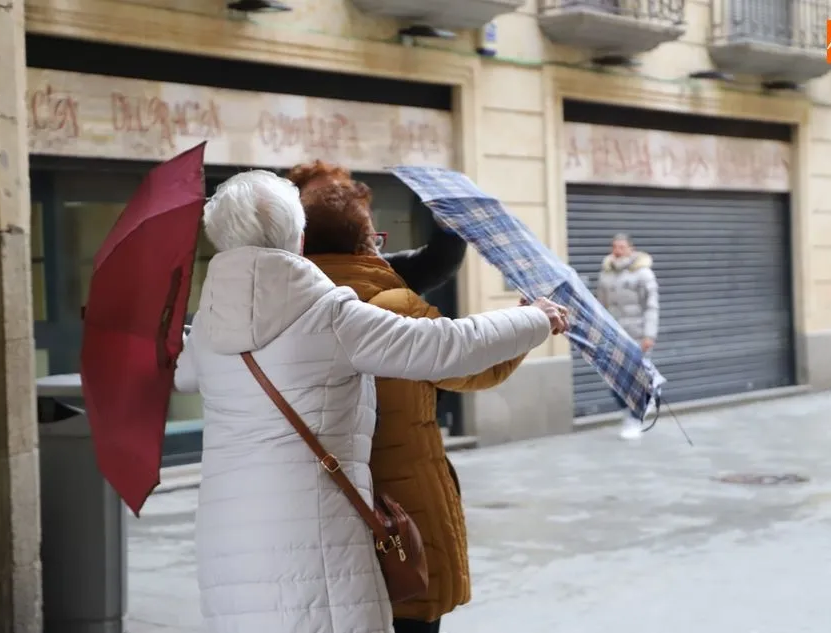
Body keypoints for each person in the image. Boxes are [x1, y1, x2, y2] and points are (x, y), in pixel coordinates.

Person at [173, 169, 569, 633]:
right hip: (319, 538)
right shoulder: (329, 314)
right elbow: (448, 346)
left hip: (229, 542)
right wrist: (536, 319)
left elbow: (181, 376)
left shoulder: (206, 329)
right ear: (295, 237)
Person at [300, 180, 531, 633]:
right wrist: (528, 323)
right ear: (367, 242)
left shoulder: (285, 306)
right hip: (398, 515)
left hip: (313, 513)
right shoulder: (394, 308)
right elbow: (478, 364)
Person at [286, 160, 466, 295]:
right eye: (322, 198)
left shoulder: (383, 276)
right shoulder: (285, 279)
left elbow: (435, 263)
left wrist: (449, 222)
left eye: (344, 193)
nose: (336, 203)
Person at [596, 232, 660, 440]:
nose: (617, 251)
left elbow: (651, 306)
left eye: (622, 247)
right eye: (615, 246)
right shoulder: (606, 273)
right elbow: (601, 306)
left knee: (634, 380)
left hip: (638, 335)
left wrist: (649, 335)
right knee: (615, 382)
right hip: (616, 336)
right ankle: (641, 404)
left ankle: (634, 419)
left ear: (631, 249)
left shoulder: (643, 273)